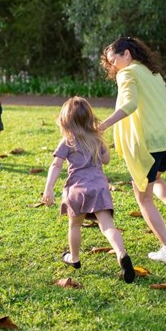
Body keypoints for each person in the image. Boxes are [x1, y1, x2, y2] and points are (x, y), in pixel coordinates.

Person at [98, 36, 166, 264]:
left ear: (127, 55)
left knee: (143, 197)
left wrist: (103, 125)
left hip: (151, 142)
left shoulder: (127, 73)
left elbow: (129, 104)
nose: (113, 66)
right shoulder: (153, 73)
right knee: (155, 178)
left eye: (114, 60)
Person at [41, 97, 135, 284]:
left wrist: (48, 188)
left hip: (76, 189)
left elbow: (56, 164)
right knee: (107, 226)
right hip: (99, 187)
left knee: (75, 225)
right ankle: (121, 253)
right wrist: (102, 142)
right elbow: (106, 159)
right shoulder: (95, 138)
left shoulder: (67, 140)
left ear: (65, 121)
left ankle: (74, 258)